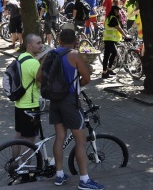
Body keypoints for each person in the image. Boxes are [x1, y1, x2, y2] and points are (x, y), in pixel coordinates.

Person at [36, 29, 104, 190]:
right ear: (75, 42)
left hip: (55, 100)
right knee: (80, 141)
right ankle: (84, 179)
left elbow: (39, 76)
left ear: (59, 41)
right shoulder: (75, 55)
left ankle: (59, 175)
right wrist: (76, 85)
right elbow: (86, 77)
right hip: (70, 101)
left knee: (59, 137)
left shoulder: (50, 54)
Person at [15, 34, 43, 145]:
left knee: (18, 135)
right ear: (29, 46)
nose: (41, 46)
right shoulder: (34, 63)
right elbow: (42, 85)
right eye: (38, 43)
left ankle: (14, 161)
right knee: (29, 139)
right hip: (31, 106)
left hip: (19, 104)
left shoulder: (21, 57)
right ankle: (26, 163)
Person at [102, 5, 129, 79]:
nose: (118, 12)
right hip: (109, 39)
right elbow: (118, 28)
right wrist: (125, 36)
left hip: (109, 39)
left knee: (113, 53)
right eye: (117, 10)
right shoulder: (113, 18)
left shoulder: (110, 17)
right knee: (107, 55)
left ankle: (109, 69)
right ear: (114, 10)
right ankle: (104, 73)